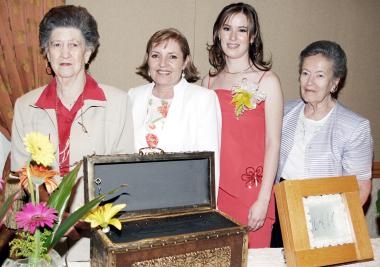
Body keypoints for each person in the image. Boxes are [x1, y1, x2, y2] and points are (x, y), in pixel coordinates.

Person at [10, 5, 134, 262]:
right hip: (41, 241)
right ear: (46, 51)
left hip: (96, 239)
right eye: (56, 45)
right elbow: (21, 178)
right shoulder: (25, 105)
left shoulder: (118, 102)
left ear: (88, 52)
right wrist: (46, 219)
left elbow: (122, 176)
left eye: (74, 45)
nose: (64, 53)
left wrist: (84, 218)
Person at [271, 40, 373, 247]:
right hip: (279, 209)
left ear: (335, 82)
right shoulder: (284, 111)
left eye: (320, 75)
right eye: (305, 73)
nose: (310, 82)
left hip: (325, 214)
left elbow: (361, 187)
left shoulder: (355, 126)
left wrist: (330, 222)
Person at [202, 3, 283, 248]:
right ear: (218, 33)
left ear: (253, 36)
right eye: (227, 28)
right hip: (216, 193)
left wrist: (263, 199)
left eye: (242, 30)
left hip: (252, 194)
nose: (233, 37)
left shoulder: (267, 81)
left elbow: (273, 144)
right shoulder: (208, 82)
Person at [128, 28, 221, 191]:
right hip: (137, 193)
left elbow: (210, 167)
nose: (162, 64)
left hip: (182, 196)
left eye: (172, 56)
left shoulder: (204, 99)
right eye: (156, 55)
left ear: (185, 62)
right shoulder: (133, 96)